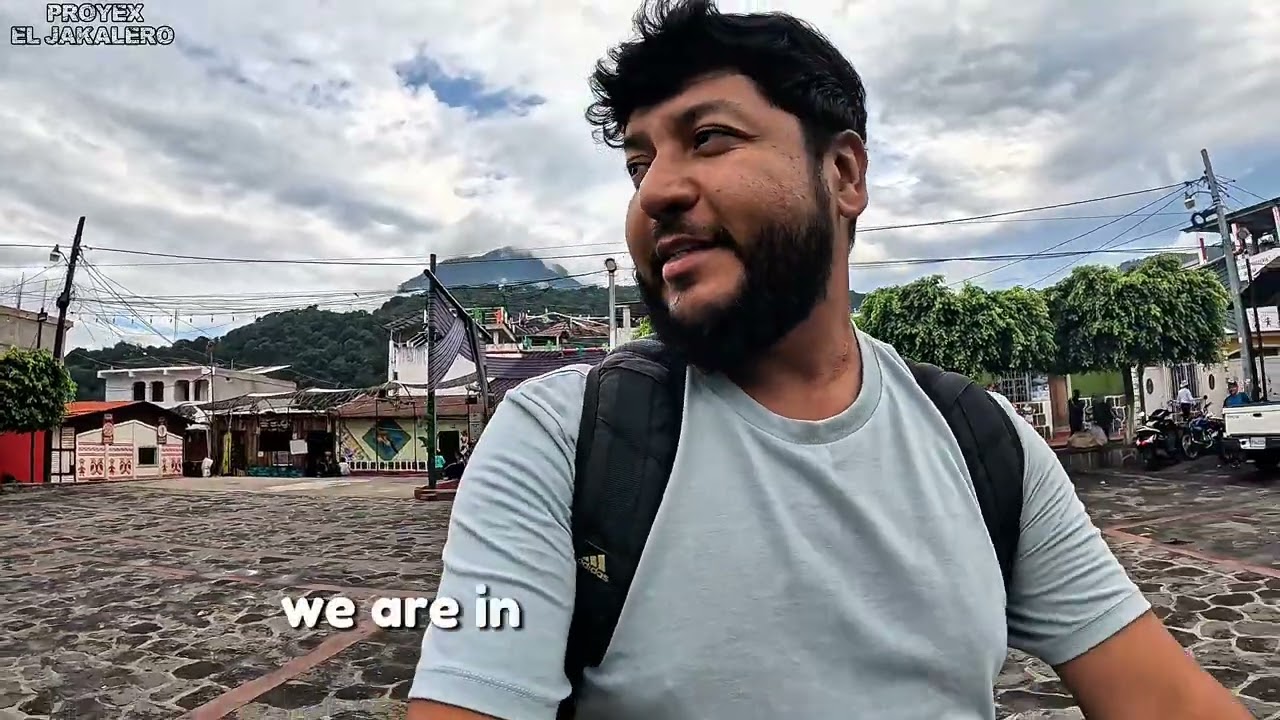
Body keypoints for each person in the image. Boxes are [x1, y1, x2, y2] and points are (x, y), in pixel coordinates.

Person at [406, 2, 1251, 718]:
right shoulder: (561, 436)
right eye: (639, 163)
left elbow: (1166, 700)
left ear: (843, 173)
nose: (655, 190)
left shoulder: (981, 440)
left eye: (708, 137)